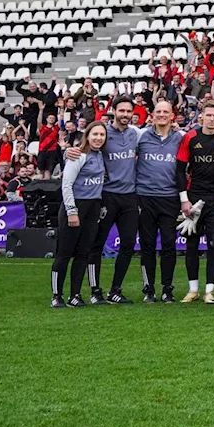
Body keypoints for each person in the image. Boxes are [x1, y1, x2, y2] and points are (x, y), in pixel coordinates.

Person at [83, 96, 139, 304]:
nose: (125, 115)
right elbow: (85, 149)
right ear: (113, 111)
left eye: (128, 111)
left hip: (130, 197)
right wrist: (71, 151)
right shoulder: (104, 133)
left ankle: (116, 290)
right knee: (96, 244)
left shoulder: (135, 134)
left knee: (128, 244)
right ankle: (95, 290)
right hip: (106, 196)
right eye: (121, 111)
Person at [177, 100, 214, 304]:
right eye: (207, 115)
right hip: (193, 197)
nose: (211, 119)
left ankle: (209, 290)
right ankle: (193, 289)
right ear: (201, 117)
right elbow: (180, 170)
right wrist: (184, 200)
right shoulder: (190, 137)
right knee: (191, 244)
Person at [52, 122, 107, 308]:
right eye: (95, 134)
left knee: (83, 254)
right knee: (64, 254)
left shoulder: (100, 156)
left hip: (92, 209)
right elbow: (66, 185)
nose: (98, 138)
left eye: (102, 134)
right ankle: (57, 295)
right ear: (87, 135)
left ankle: (75, 295)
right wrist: (71, 211)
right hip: (75, 207)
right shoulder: (78, 155)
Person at [136, 101, 186, 303]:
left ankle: (167, 289)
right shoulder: (140, 136)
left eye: (166, 111)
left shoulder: (180, 138)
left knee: (168, 245)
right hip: (145, 197)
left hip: (170, 198)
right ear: (152, 115)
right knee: (147, 245)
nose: (162, 115)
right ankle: (149, 289)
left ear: (172, 115)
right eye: (158, 111)